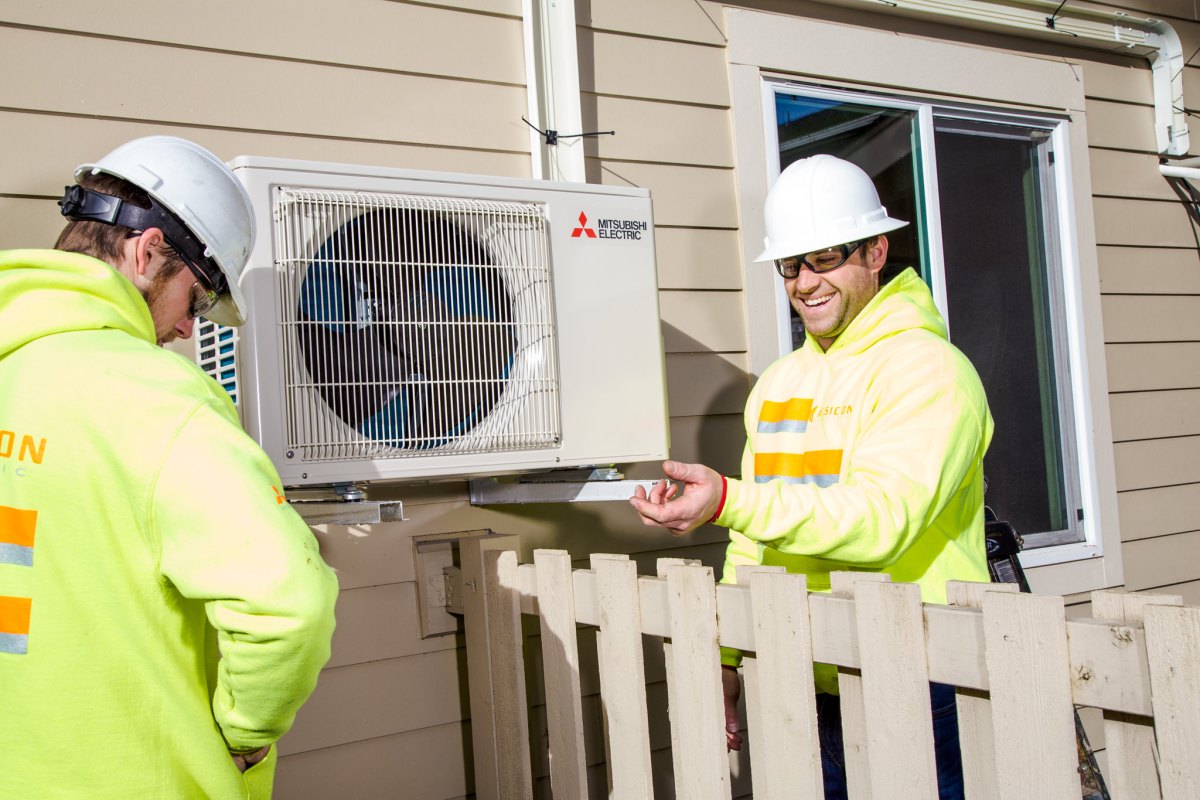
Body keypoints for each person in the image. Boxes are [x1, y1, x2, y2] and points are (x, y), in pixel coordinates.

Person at [629, 154, 992, 800]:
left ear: (877, 252)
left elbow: (880, 521)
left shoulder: (930, 371)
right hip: (816, 677)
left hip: (923, 678)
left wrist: (729, 501)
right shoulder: (778, 385)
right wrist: (727, 658)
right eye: (792, 266)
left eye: (825, 259)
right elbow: (752, 538)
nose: (805, 282)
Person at [0, 136, 338, 799]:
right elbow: (287, 603)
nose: (189, 329)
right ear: (147, 250)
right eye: (198, 297)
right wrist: (247, 730)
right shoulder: (161, 401)